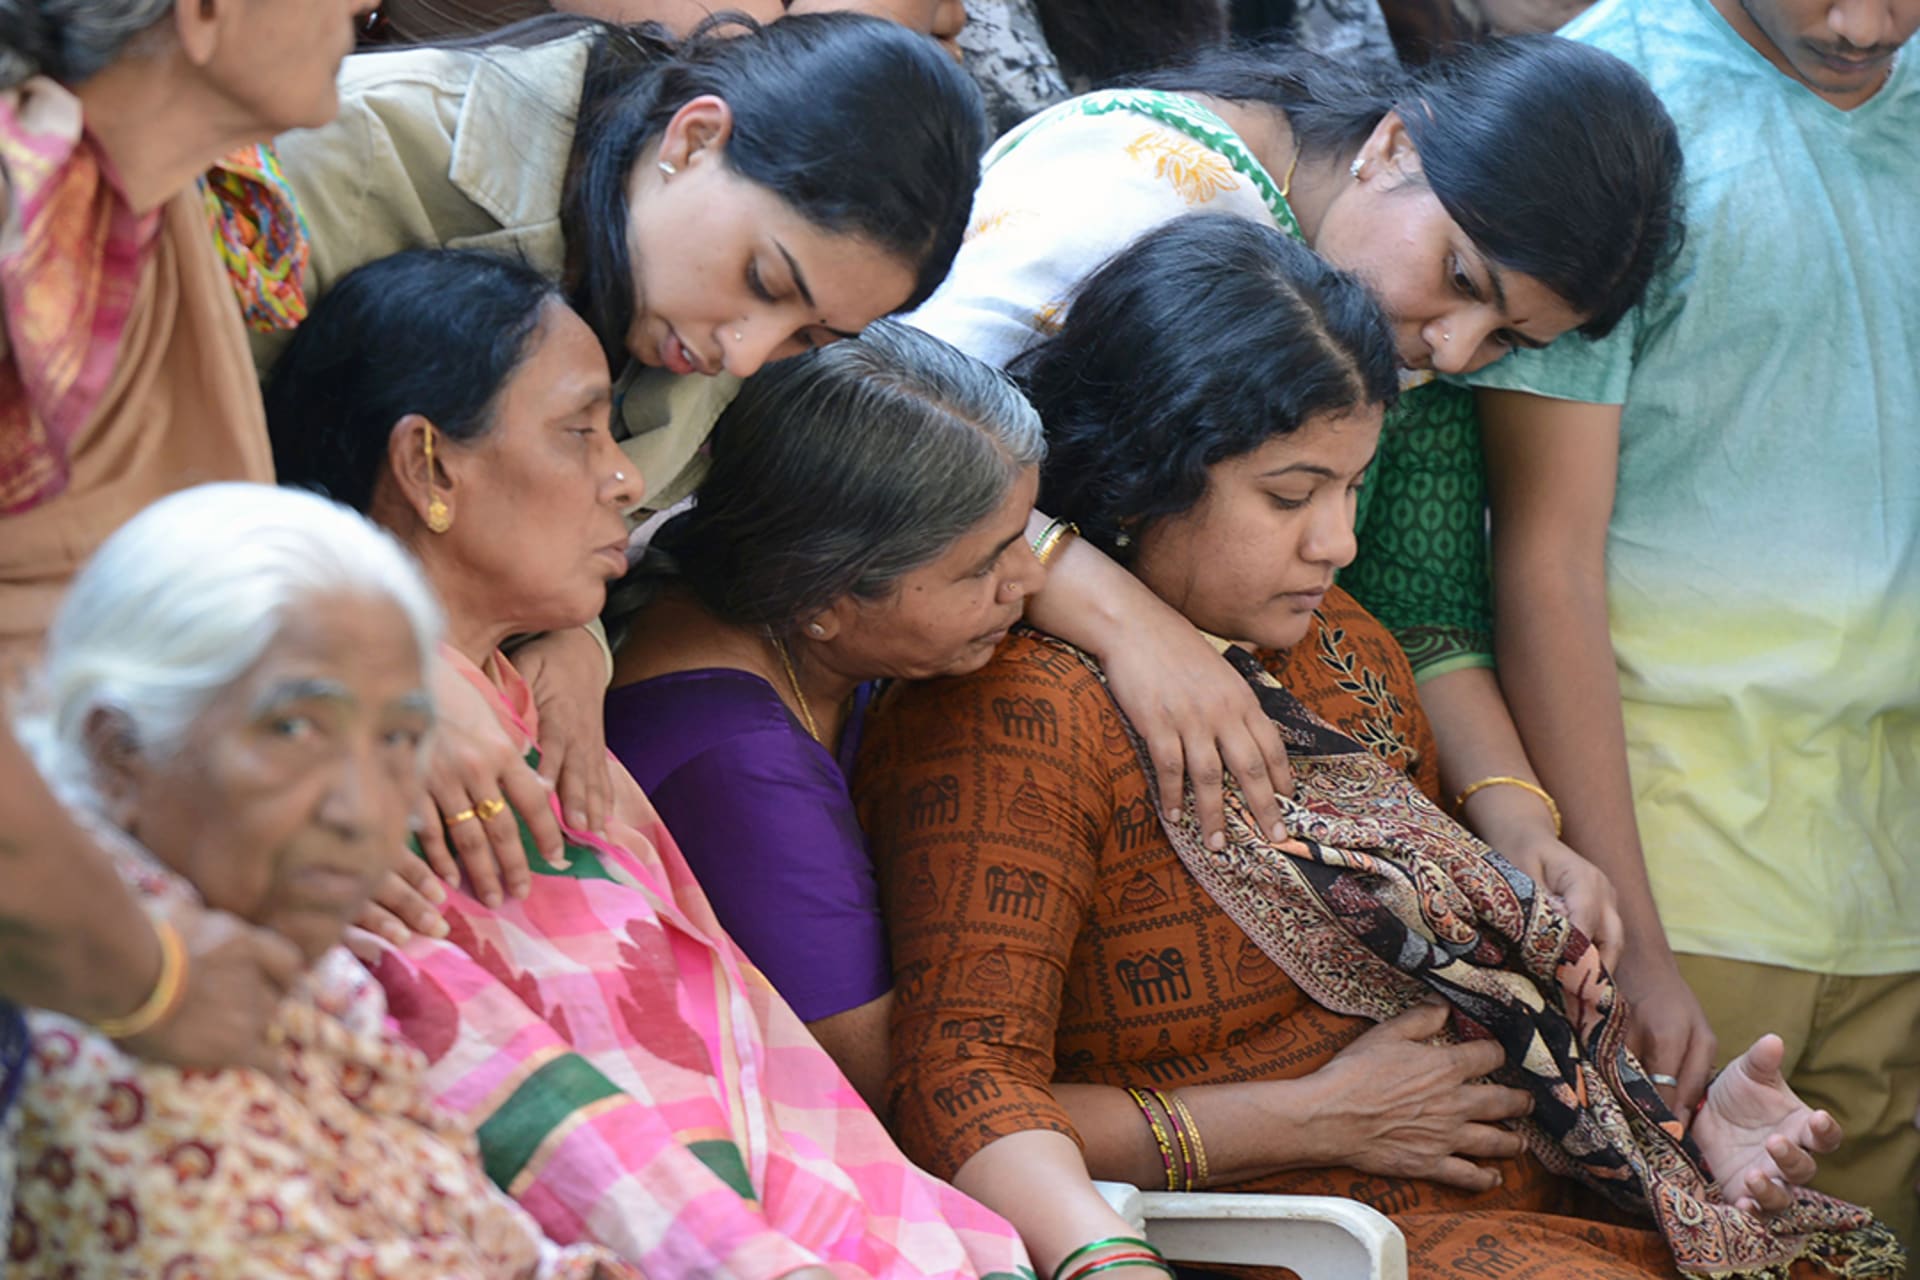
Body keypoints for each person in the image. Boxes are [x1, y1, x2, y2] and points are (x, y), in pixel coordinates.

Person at [855, 216, 1888, 1280]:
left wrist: (1678, 1140)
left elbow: (1457, 991)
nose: (1338, 542)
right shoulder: (1015, 714)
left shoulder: (1341, 649)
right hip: (1299, 1239)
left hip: (1529, 1205)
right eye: (1291, 495)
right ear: (1136, 472)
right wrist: (1300, 1119)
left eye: (1353, 489)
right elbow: (955, 1099)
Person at [904, 30, 1693, 1072]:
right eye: (1461, 277)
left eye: (1508, 341)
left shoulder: (1384, 322)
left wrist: (1518, 823)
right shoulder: (1144, 189)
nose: (1453, 349)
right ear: (1393, 145)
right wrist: (1122, 616)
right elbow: (887, 417)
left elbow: (1423, 605)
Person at [266, 247, 1032, 1278]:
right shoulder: (364, 771)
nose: (627, 476)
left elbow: (766, 1091)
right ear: (429, 466)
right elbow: (538, 1120)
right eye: (581, 432)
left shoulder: (543, 711)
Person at [1465, 0, 1920, 1248]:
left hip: (1893, 871)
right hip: (1680, 859)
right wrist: (1640, 944)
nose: (1867, 24)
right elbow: (1543, 554)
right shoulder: (1612, 99)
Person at [7, 482, 633, 1279]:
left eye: (401, 738)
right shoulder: (114, 1036)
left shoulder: (278, 950)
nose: (361, 809)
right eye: (294, 729)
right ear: (116, 752)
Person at [0, 0, 358, 1098]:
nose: (365, 8)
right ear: (203, 13)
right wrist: (150, 978)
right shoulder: (26, 218)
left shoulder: (165, 208)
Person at [605, 321, 1046, 1109]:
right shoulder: (739, 774)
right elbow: (902, 1096)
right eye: (983, 565)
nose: (1028, 581)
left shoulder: (753, 587)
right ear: (824, 599)